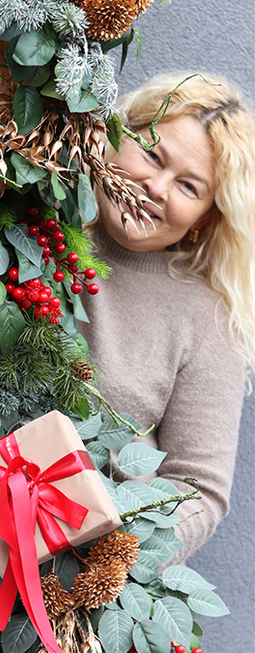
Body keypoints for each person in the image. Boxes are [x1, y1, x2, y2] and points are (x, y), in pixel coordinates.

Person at [80, 72, 255, 564]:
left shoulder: (206, 318)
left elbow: (199, 490)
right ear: (118, 136)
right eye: (153, 156)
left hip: (89, 579)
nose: (155, 187)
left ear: (204, 218)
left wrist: (108, 561)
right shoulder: (27, 234)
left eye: (188, 186)